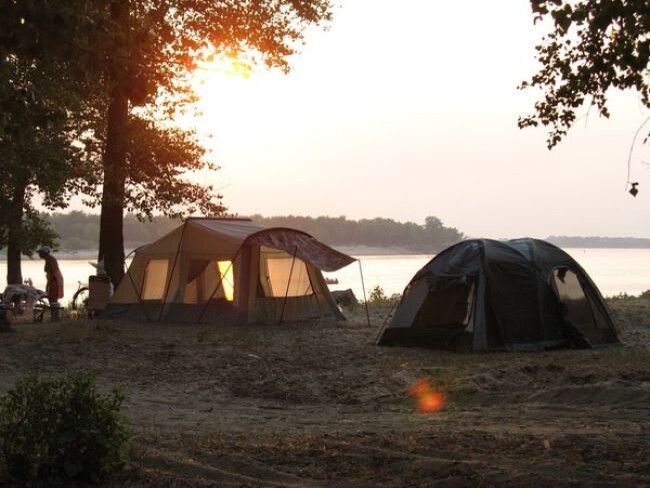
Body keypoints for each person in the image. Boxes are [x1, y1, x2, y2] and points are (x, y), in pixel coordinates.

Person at [37, 246, 64, 320]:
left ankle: (55, 317)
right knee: (51, 298)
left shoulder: (49, 259)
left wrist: (48, 285)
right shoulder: (48, 259)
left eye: (40, 252)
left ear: (44, 253)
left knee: (53, 298)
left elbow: (51, 273)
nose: (39, 254)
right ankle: (54, 316)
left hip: (54, 280)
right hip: (53, 279)